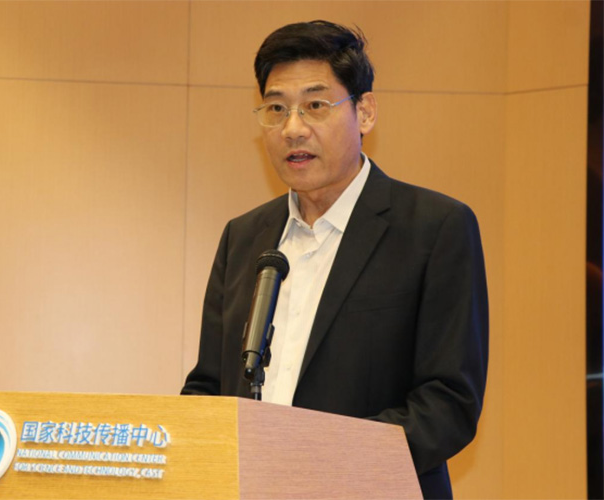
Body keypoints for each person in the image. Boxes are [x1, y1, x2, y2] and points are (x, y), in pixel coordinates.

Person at [181, 20, 488, 499]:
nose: (292, 128)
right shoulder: (243, 237)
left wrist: (310, 465)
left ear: (365, 112)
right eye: (276, 109)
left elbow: (447, 405)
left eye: (315, 106)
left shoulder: (435, 228)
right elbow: (208, 387)